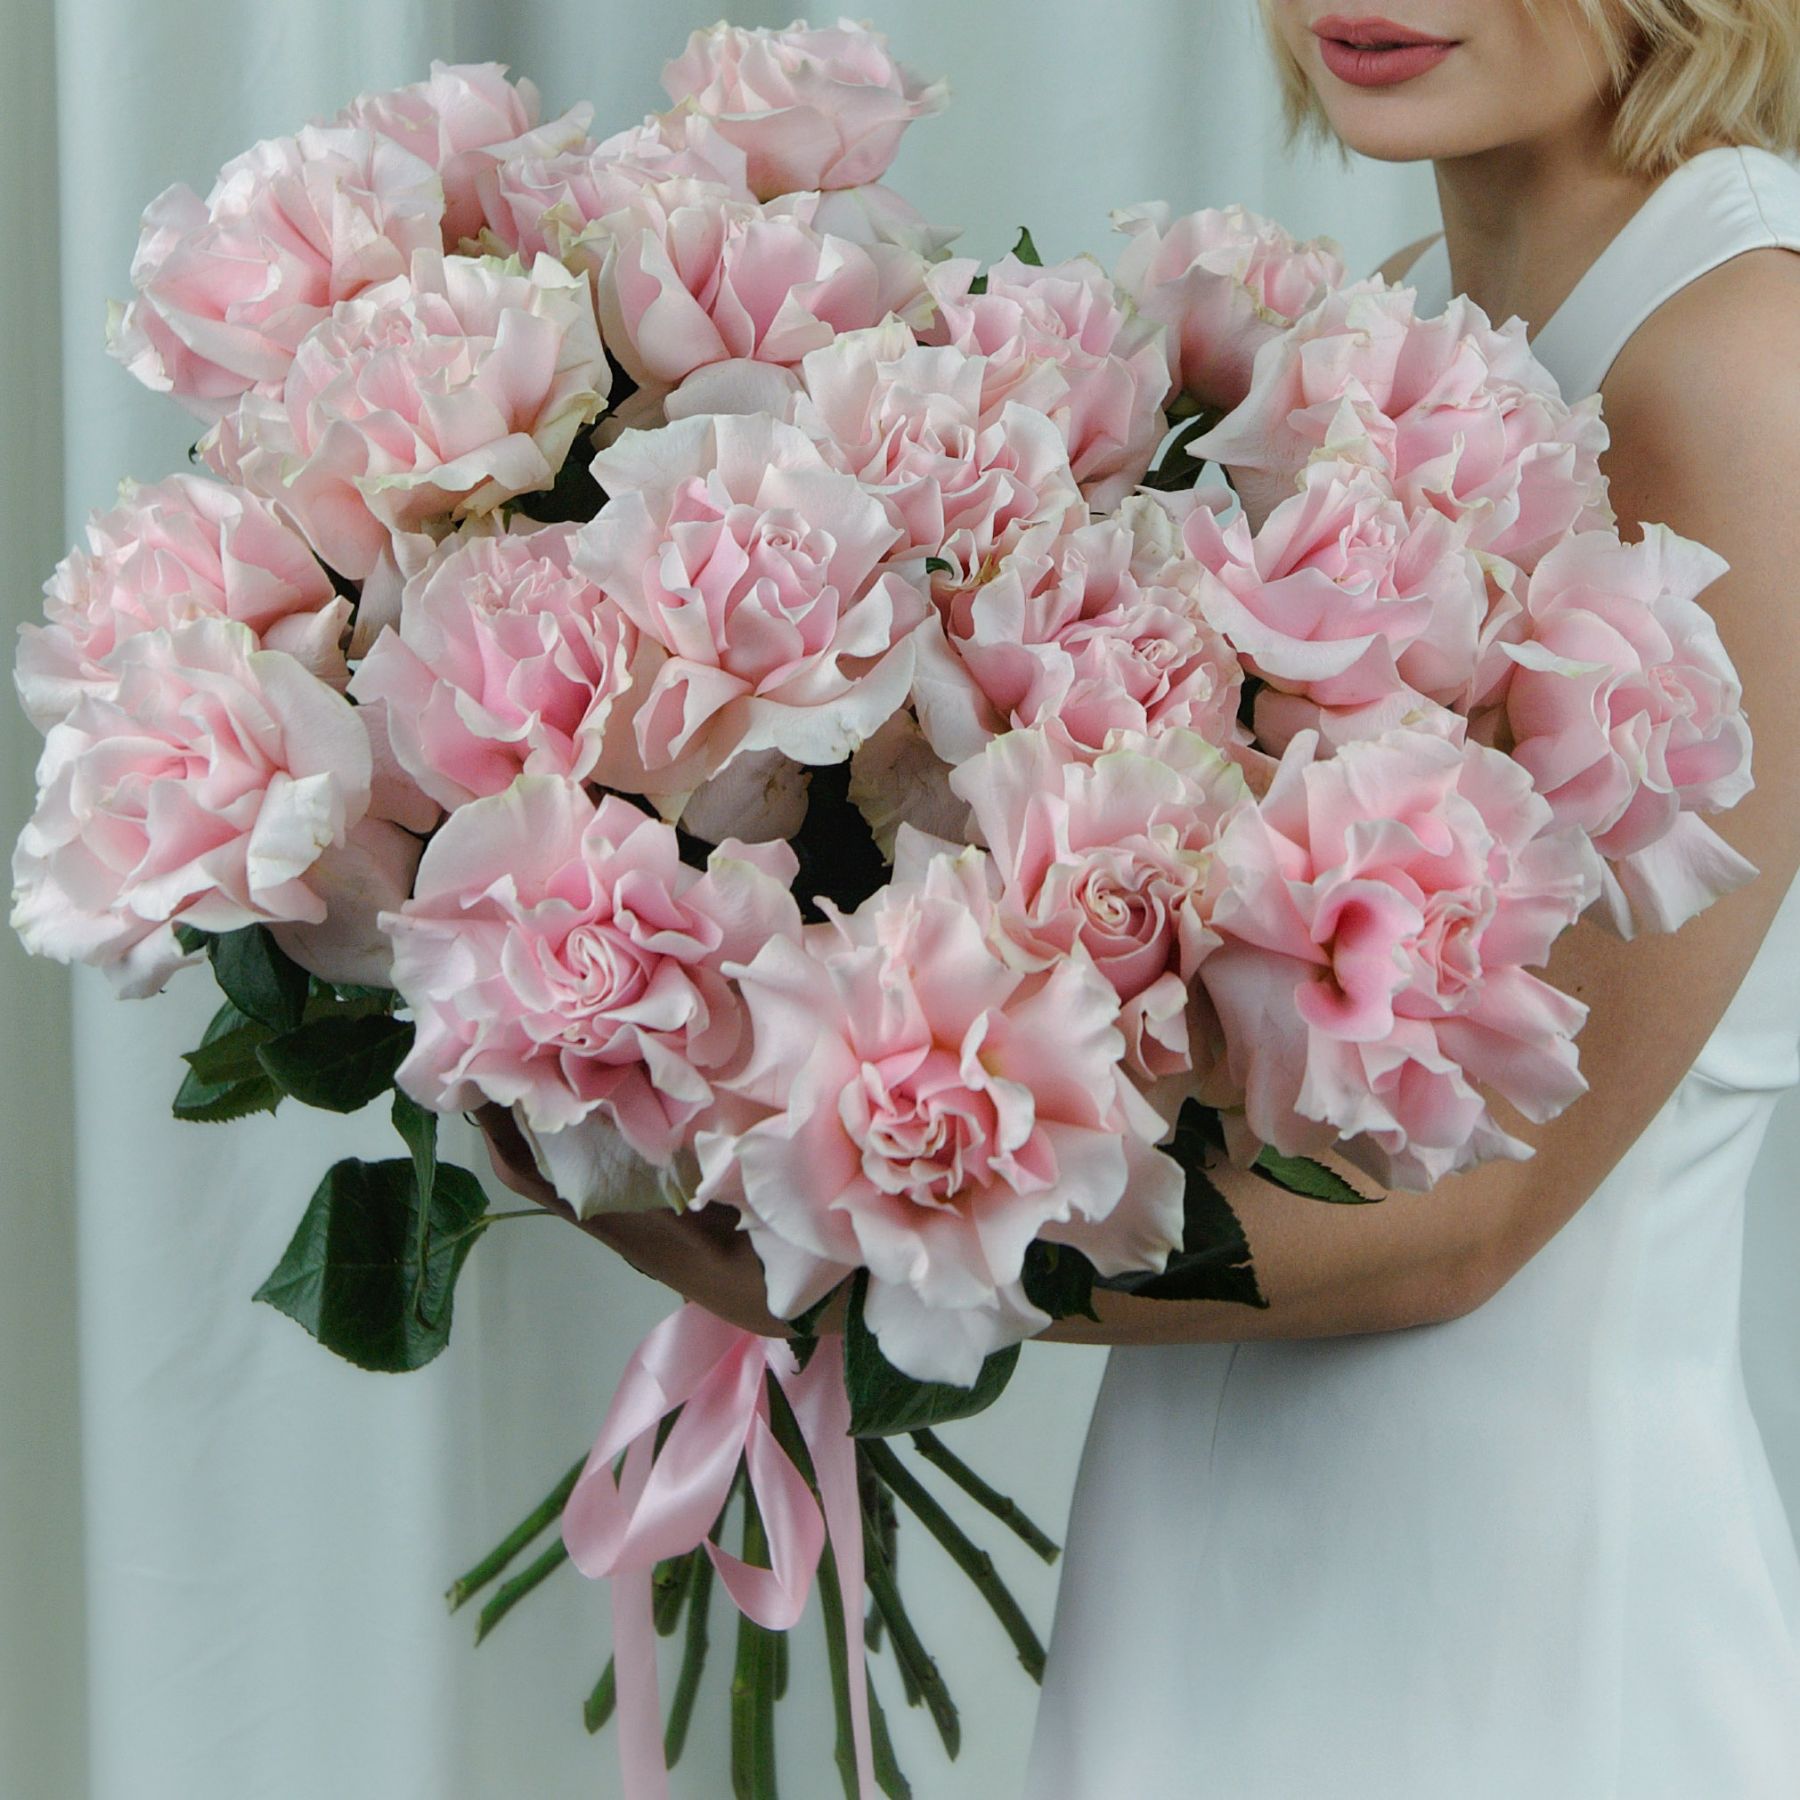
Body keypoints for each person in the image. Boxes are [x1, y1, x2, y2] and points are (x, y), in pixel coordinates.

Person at [483, 2, 1800, 1791]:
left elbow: (1472, 1220)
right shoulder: (1401, 318)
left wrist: (835, 1246)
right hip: (1214, 1524)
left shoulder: (1746, 362)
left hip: (1508, 1616)